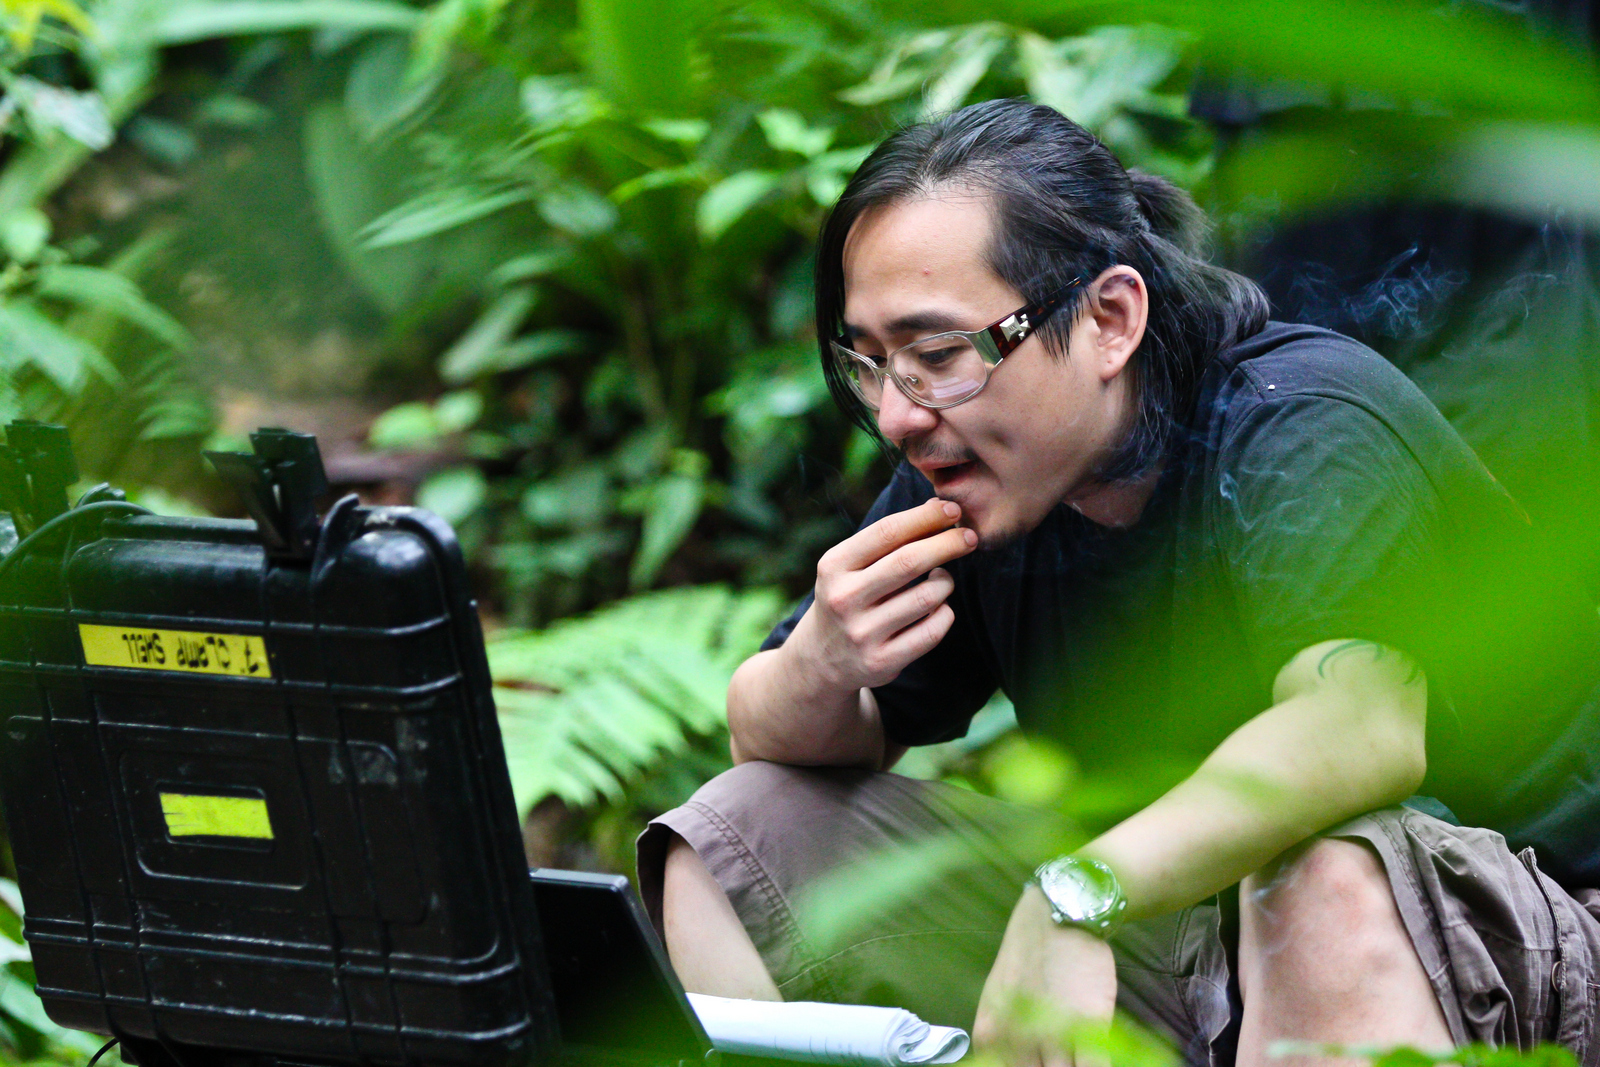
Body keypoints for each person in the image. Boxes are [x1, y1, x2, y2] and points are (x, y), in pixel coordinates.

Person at [635, 99, 1600, 1067]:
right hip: (1183, 942)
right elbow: (768, 742)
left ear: (1109, 319)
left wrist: (1078, 889)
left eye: (936, 355)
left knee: (1320, 871)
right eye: (871, 363)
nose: (897, 413)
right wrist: (820, 659)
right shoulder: (981, 472)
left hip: (1528, 937)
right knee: (734, 834)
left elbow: (1358, 729)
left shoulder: (1300, 420)